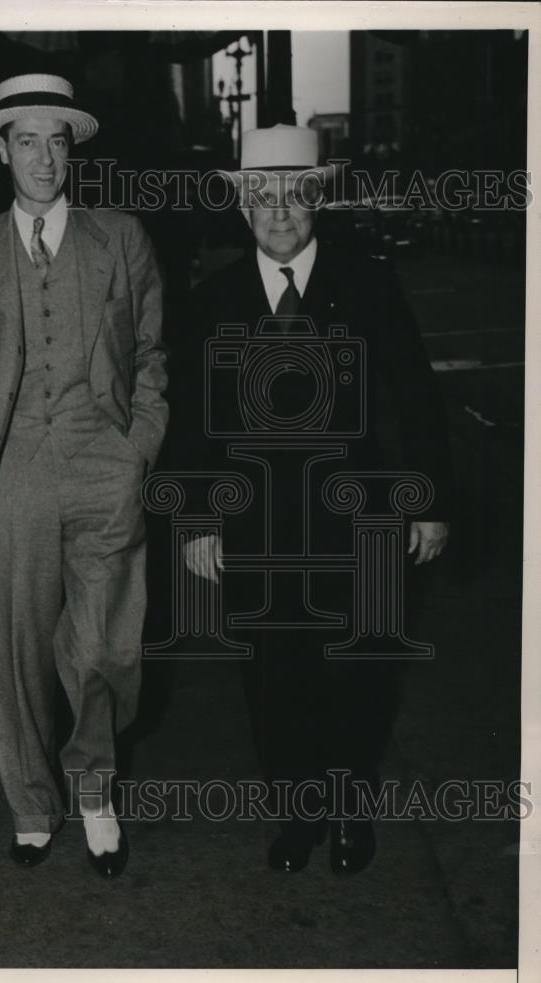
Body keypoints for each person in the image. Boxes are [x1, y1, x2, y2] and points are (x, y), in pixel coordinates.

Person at [169, 125, 453, 875]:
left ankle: (351, 810)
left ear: (317, 199)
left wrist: (426, 501)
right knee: (273, 671)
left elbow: (414, 395)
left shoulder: (367, 283)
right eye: (263, 196)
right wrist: (198, 519)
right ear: (242, 208)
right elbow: (192, 420)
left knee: (359, 670)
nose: (280, 211)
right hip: (256, 526)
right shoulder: (211, 301)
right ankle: (295, 815)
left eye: (296, 194)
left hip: (357, 521)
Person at [0, 74, 168, 877]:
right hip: (7, 471)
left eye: (57, 140)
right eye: (26, 139)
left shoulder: (120, 236)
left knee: (106, 650)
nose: (44, 157)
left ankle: (94, 787)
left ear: (73, 151)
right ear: (1, 150)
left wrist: (139, 450)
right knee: (17, 655)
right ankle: (31, 803)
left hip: (105, 463)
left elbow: (152, 358)